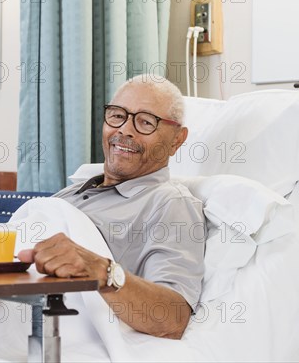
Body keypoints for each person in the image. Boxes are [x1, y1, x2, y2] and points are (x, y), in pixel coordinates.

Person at [18, 74, 205, 339]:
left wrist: (102, 272)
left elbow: (173, 319)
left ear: (176, 140)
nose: (125, 130)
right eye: (117, 116)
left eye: (145, 122)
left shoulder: (169, 203)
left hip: (42, 331)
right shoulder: (70, 193)